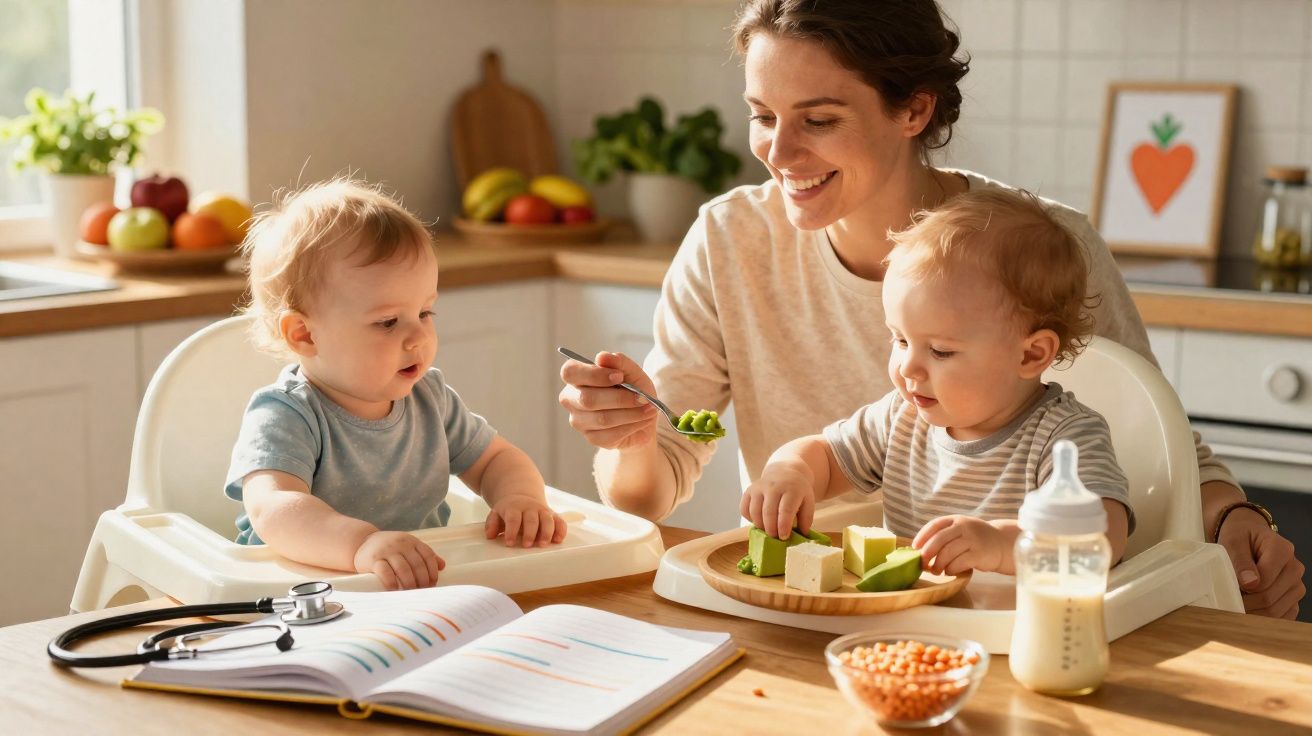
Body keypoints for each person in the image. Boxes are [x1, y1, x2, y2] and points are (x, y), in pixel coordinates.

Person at [558, 0, 1303, 617]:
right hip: (803, 609)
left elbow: (1163, 445)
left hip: (1008, 619)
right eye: (762, 115)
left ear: (913, 108)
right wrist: (629, 438)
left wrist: (1238, 524)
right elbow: (652, 489)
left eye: (817, 120)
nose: (778, 152)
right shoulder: (729, 239)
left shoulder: (1039, 250)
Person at [741, 189, 1131, 574]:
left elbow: (1103, 539)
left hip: (1013, 630)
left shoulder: (1065, 438)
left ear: (1030, 355)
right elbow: (824, 457)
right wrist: (791, 472)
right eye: (901, 339)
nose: (908, 367)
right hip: (905, 629)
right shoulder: (901, 418)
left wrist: (1001, 546)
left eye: (940, 351)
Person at [229, 178, 566, 591]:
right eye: (388, 322)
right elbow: (274, 509)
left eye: (425, 312)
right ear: (304, 334)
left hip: (414, 588)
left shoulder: (431, 399)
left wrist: (521, 499)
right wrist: (361, 546)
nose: (418, 337)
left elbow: (496, 459)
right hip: (300, 596)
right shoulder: (286, 415)